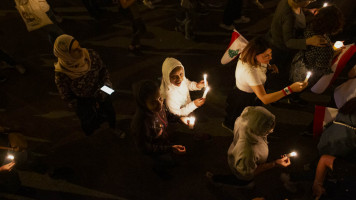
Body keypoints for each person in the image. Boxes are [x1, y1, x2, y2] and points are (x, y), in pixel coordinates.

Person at [223, 37, 308, 131]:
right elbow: (265, 99)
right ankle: (231, 126)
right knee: (238, 116)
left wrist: (269, 66)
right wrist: (290, 89)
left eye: (270, 54)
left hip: (253, 93)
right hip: (245, 97)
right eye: (266, 56)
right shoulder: (250, 72)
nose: (270, 58)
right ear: (255, 55)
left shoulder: (250, 52)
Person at [53, 34, 120, 136]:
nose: (81, 50)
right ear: (65, 54)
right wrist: (78, 105)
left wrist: (107, 86)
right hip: (83, 100)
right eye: (75, 50)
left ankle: (113, 127)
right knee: (87, 120)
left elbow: (103, 70)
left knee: (110, 110)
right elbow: (65, 94)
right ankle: (92, 134)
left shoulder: (91, 55)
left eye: (79, 45)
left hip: (101, 89)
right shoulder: (62, 73)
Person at [208, 106, 291, 187]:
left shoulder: (245, 121)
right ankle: (216, 179)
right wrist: (274, 163)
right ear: (258, 126)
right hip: (243, 165)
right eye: (268, 127)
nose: (271, 130)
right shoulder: (247, 151)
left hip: (241, 157)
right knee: (241, 180)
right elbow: (247, 174)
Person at [131, 80, 186, 178]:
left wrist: (179, 119)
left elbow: (167, 114)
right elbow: (144, 148)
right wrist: (170, 149)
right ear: (143, 103)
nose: (160, 104)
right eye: (153, 102)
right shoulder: (141, 123)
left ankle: (168, 163)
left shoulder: (159, 107)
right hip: (155, 149)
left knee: (167, 158)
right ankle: (160, 171)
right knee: (161, 161)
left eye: (160, 98)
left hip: (162, 140)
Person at [290, 5, 345, 86]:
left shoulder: (310, 26)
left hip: (297, 62)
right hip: (303, 76)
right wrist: (335, 52)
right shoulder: (325, 48)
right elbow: (319, 71)